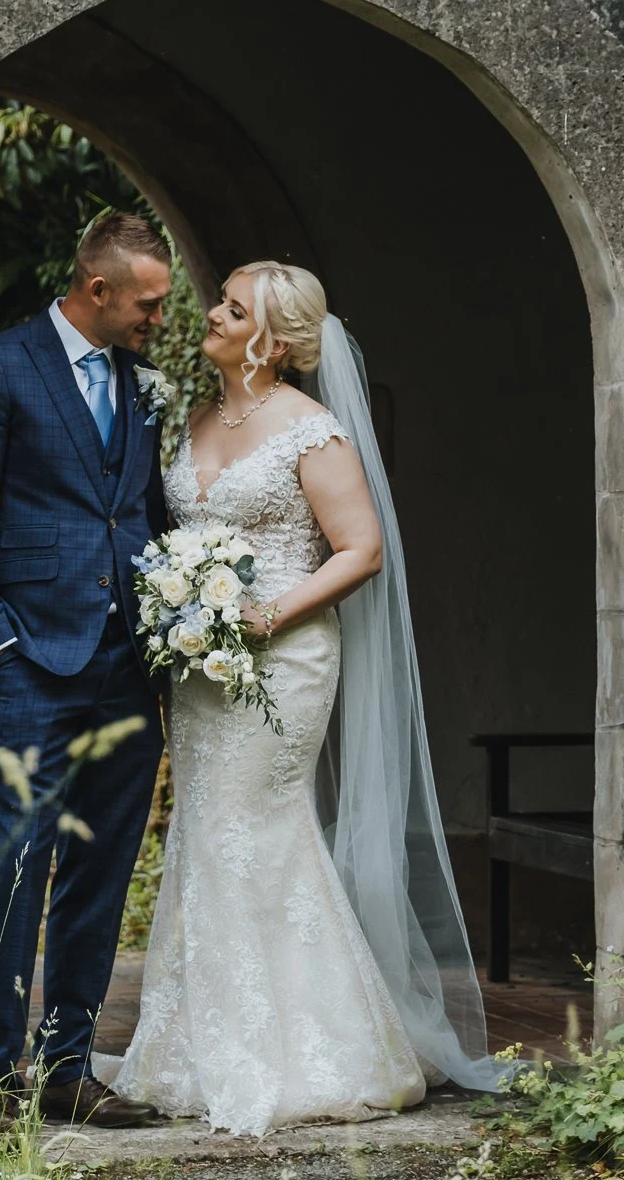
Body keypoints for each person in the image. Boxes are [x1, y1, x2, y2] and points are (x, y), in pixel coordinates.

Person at [96, 261, 507, 1135]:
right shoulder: (199, 415)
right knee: (206, 830)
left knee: (252, 829)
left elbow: (360, 549)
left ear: (271, 341)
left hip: (282, 658)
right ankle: (194, 1042)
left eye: (231, 307)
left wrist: (264, 615)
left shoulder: (310, 431)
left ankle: (312, 1050)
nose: (210, 312)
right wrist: (185, 606)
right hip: (204, 663)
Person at [0, 211, 172, 1131]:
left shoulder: (140, 382)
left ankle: (68, 1065)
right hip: (33, 658)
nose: (159, 316)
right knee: (19, 861)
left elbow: (142, 511)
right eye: (147, 302)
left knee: (101, 869)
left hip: (127, 660)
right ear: (98, 290)